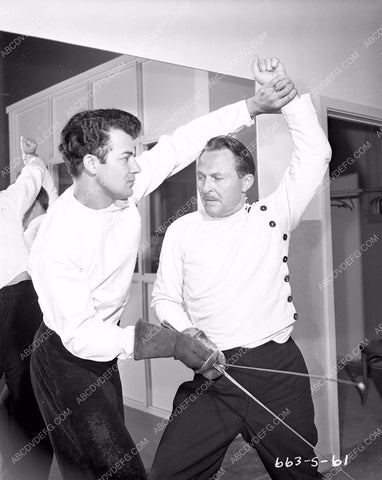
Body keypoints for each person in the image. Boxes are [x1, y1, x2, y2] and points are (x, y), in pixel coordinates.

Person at [28, 58, 296, 480]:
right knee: (118, 470)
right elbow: (81, 335)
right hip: (65, 354)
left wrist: (251, 106)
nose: (138, 165)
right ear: (93, 165)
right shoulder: (58, 241)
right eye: (126, 156)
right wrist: (168, 343)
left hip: (101, 348)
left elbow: (179, 144)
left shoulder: (121, 188)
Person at [150, 57, 331, 480]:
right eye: (200, 177)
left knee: (299, 472)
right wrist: (191, 336)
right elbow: (164, 298)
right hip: (212, 373)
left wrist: (283, 93)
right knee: (167, 475)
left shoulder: (273, 215)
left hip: (277, 370)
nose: (206, 187)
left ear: (246, 181)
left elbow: (316, 154)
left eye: (218, 178)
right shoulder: (181, 230)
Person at [0, 138, 57, 480]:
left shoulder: (9, 203)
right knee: (26, 403)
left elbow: (37, 182)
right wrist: (31, 158)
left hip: (20, 304)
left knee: (24, 403)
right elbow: (35, 174)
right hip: (20, 303)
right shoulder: (7, 201)